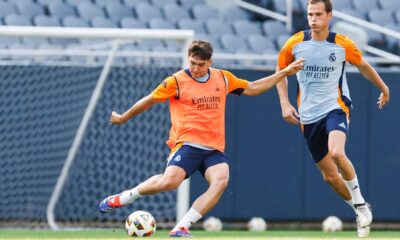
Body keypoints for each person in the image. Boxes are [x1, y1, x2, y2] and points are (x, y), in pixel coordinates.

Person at [98, 40, 304, 237]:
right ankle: (124, 197)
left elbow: (252, 88)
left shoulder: (223, 78)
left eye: (201, 64)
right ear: (188, 59)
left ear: (210, 62)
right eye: (192, 63)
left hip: (214, 148)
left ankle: (181, 228)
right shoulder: (176, 81)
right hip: (187, 144)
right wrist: (124, 116)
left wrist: (285, 72)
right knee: (168, 183)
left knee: (221, 180)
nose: (195, 68)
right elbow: (149, 100)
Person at [276, 0, 390, 237]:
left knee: (337, 153)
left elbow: (364, 66)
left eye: (318, 14)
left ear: (329, 16)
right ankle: (360, 208)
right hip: (307, 115)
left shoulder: (342, 44)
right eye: (310, 14)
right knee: (329, 177)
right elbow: (280, 73)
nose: (313, 18)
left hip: (335, 107)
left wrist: (384, 88)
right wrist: (285, 103)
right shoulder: (295, 43)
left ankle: (359, 203)